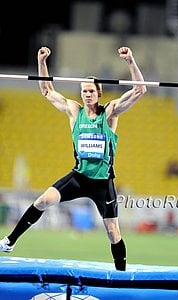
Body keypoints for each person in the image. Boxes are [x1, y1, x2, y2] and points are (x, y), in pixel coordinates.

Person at [0, 46, 146, 271]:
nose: (87, 95)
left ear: (99, 93)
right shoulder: (73, 111)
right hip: (79, 177)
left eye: (91, 91)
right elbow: (47, 91)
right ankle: (10, 241)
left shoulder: (109, 113)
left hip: (102, 182)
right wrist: (41, 62)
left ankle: (121, 276)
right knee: (42, 200)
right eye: (84, 91)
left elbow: (140, 91)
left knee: (112, 232)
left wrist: (130, 61)